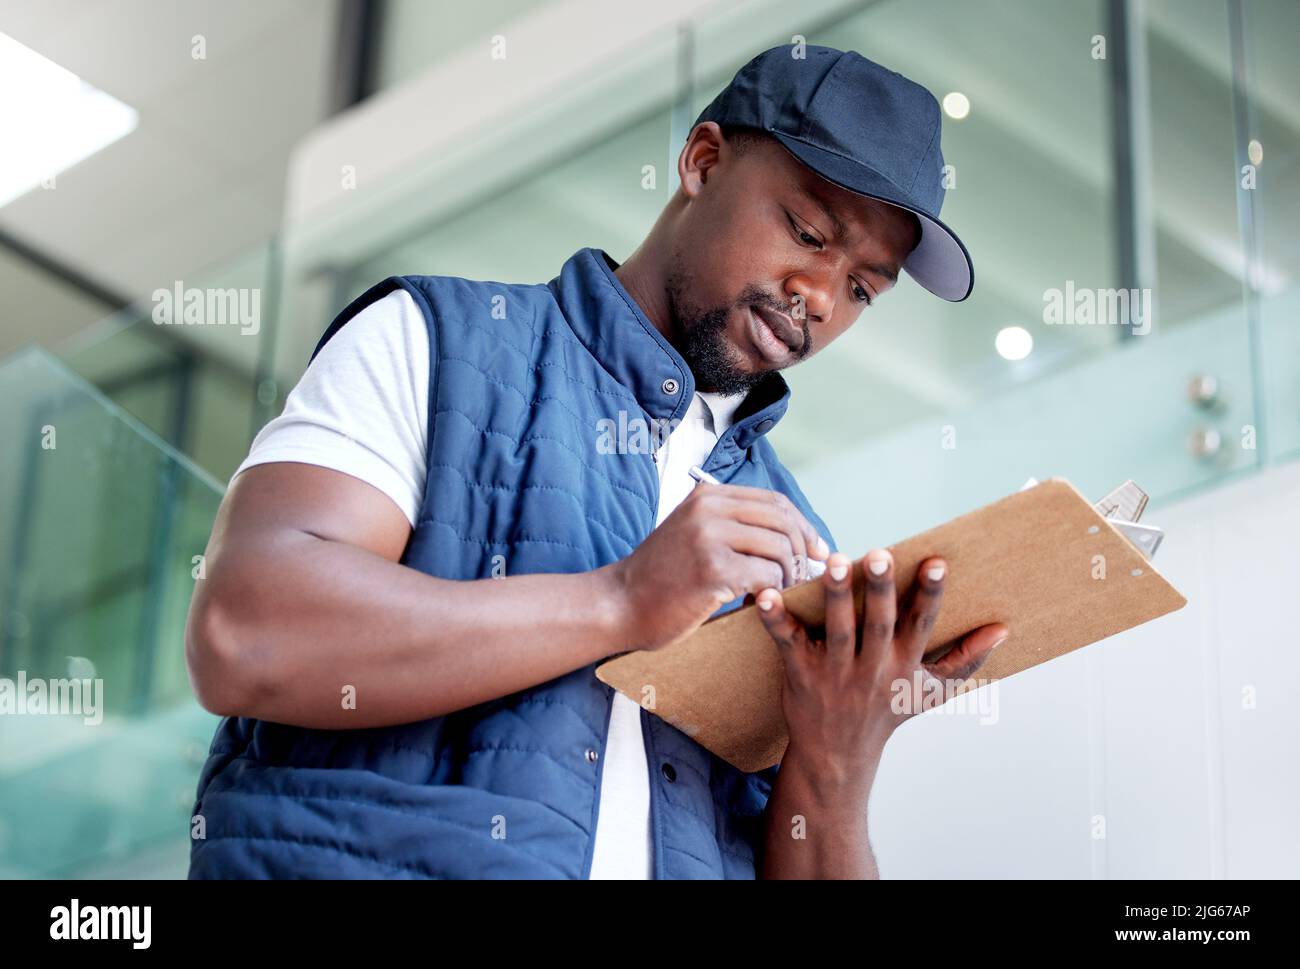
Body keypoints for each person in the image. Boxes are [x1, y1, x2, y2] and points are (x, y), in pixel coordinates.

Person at [184, 43, 1007, 880]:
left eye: (864, 288)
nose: (822, 297)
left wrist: (837, 757)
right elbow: (244, 633)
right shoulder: (439, 342)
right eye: (806, 231)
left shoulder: (794, 542)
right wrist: (619, 600)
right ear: (703, 160)